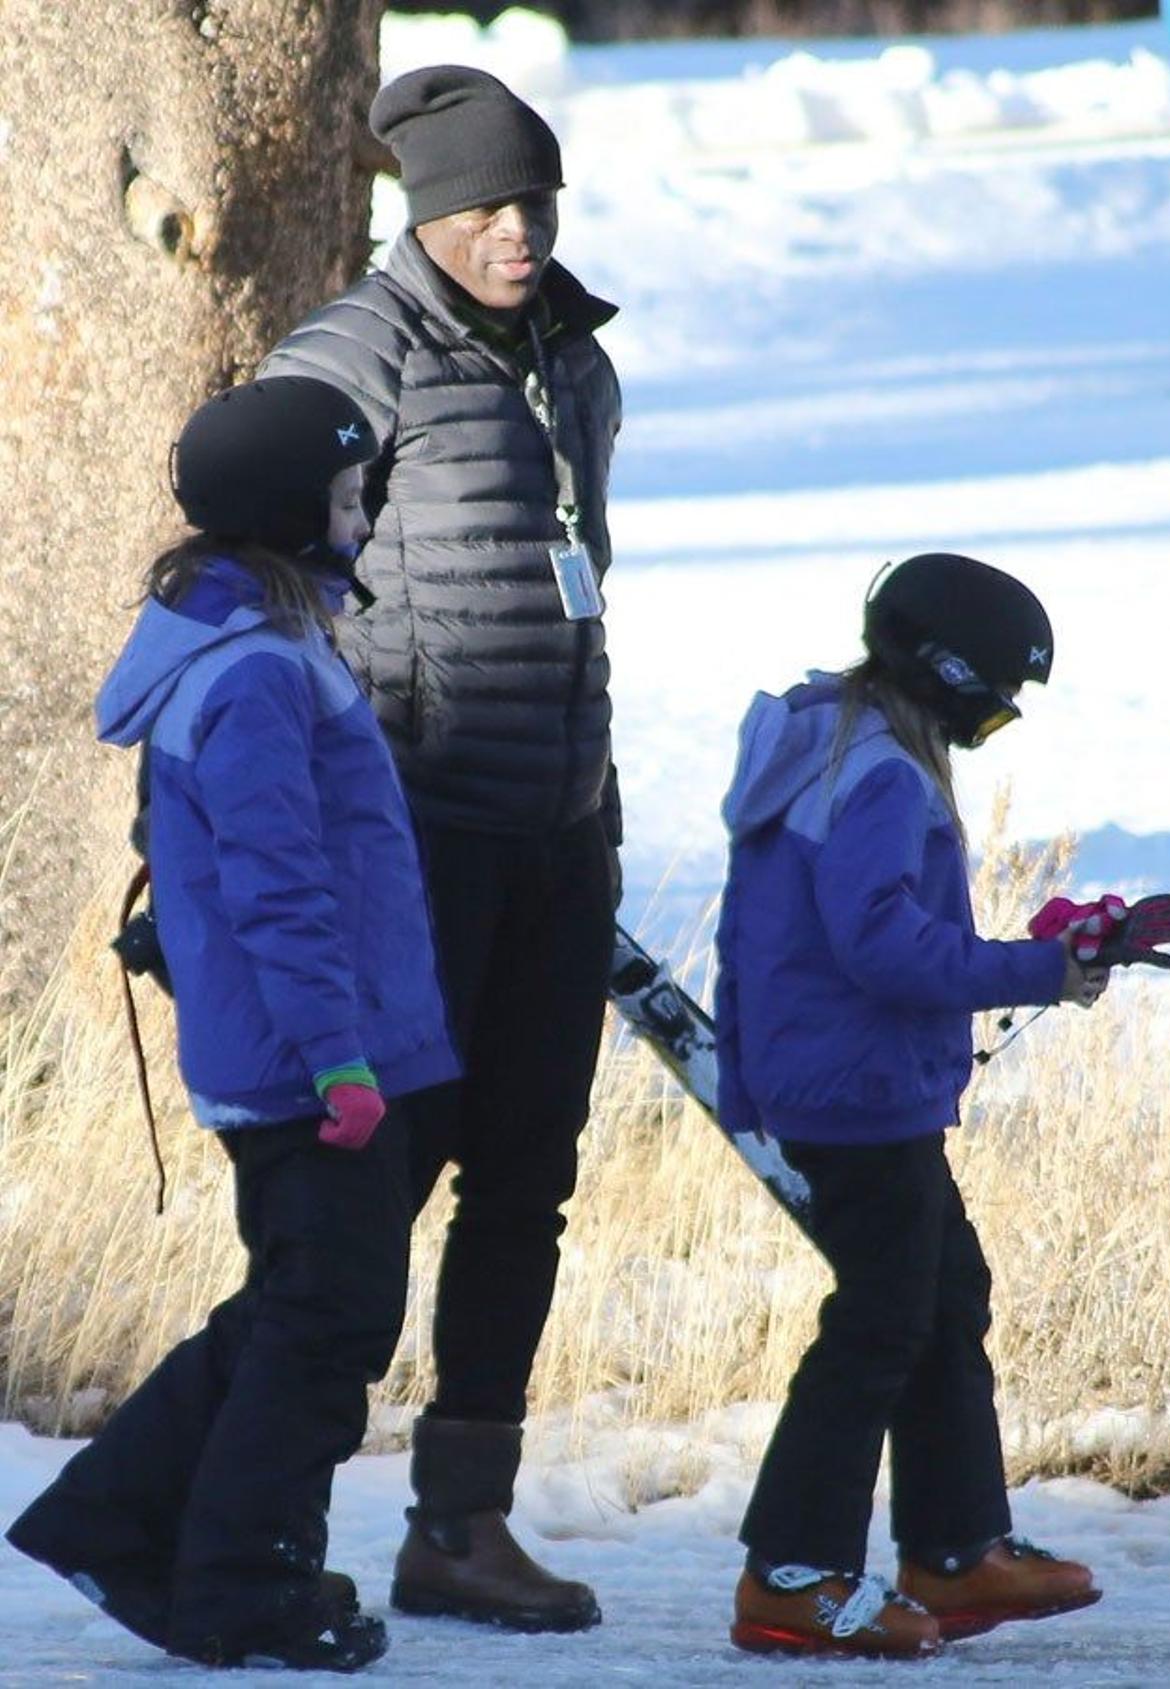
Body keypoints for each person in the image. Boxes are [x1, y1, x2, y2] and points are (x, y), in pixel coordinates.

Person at [6, 377, 460, 1672]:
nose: (366, 513)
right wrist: (341, 1059)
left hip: (324, 1049)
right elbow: (281, 886)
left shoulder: (264, 641)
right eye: (350, 493)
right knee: (325, 1322)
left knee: (302, 1311)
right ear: (288, 510)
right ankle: (232, 1587)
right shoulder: (258, 669)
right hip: (310, 1063)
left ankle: (129, 1525)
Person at [258, 64, 621, 1633]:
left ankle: (459, 1525)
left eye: (535, 202)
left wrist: (593, 800)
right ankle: (261, 1502)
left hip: (560, 834)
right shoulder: (354, 354)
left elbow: (578, 576)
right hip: (415, 839)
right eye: (483, 208)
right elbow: (267, 582)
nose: (517, 232)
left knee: (526, 1182)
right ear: (425, 216)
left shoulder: (574, 363)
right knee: (375, 1187)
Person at [714, 552, 1107, 1660]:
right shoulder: (880, 772)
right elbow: (879, 944)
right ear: (949, 673)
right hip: (851, 1088)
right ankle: (791, 1573)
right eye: (1000, 699)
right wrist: (1038, 971)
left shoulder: (843, 740)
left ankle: (954, 1549)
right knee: (884, 1317)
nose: (1002, 719)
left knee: (941, 1293)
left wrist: (1041, 954)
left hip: (847, 1077)